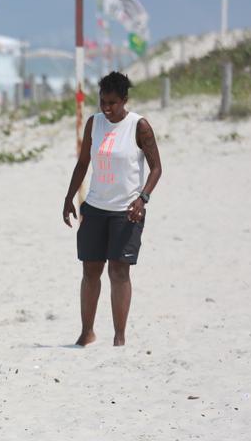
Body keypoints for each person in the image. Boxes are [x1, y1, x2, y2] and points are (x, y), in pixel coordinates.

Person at [62, 71, 162, 347]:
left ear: (124, 100)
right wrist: (69, 197)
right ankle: (87, 332)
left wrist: (143, 198)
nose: (106, 108)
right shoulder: (94, 123)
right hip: (94, 207)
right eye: (102, 102)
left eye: (112, 103)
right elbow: (83, 164)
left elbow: (156, 168)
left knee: (119, 271)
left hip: (126, 210)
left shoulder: (138, 126)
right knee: (90, 270)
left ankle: (119, 337)